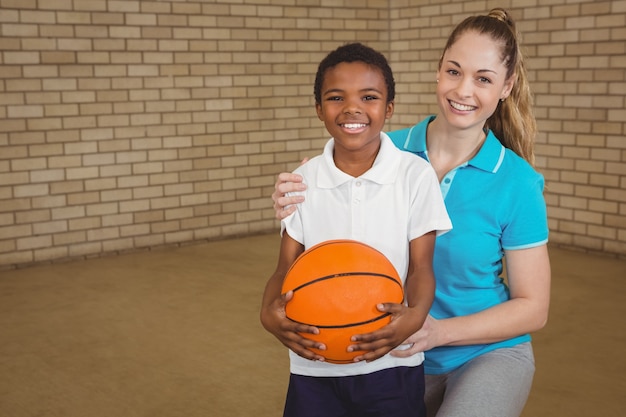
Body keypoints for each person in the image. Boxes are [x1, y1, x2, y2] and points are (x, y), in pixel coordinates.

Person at [270, 8, 551, 417]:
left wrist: (435, 331)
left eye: (484, 79)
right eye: (454, 72)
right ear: (438, 73)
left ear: (506, 87)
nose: (464, 90)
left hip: (480, 352)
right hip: (386, 352)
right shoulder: (379, 148)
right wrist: (292, 192)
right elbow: (320, 188)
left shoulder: (518, 183)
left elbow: (533, 307)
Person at [260, 42, 452, 417]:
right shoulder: (303, 180)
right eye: (335, 97)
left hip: (391, 359)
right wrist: (268, 312)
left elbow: (421, 268)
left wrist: (413, 318)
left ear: (389, 108)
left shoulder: (415, 176)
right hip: (314, 359)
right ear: (319, 109)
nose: (352, 108)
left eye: (369, 96)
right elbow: (285, 268)